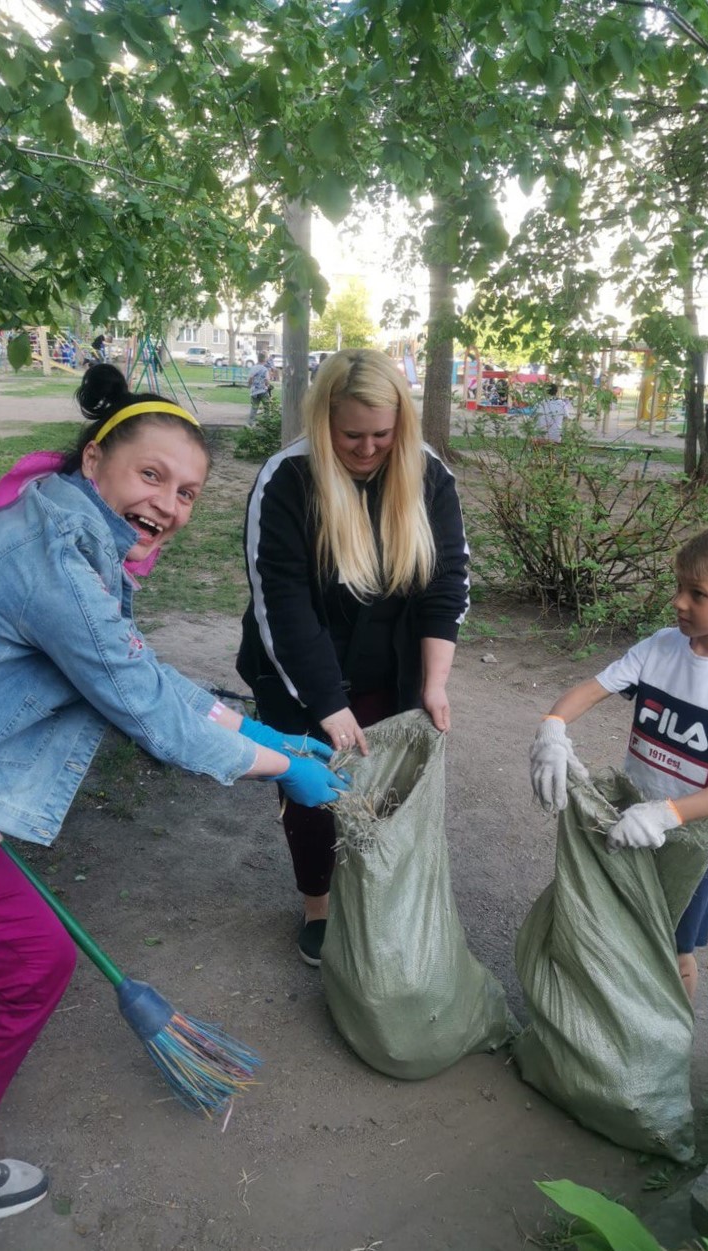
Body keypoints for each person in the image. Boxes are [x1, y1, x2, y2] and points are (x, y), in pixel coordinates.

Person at [0, 363, 348, 1243]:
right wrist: (275, 767)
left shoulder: (77, 547)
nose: (170, 505)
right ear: (95, 458)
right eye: (152, 475)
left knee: (34, 963)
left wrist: (263, 731)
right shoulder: (51, 558)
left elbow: (137, 671)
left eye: (187, 492)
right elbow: (142, 705)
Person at [237, 348, 470, 965]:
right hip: (301, 665)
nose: (368, 450)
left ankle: (373, 893)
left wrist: (435, 682)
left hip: (394, 658)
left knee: (387, 785)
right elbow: (281, 604)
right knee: (314, 785)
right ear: (323, 423)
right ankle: (318, 903)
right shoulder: (287, 479)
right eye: (351, 436)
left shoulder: (427, 475)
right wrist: (327, 706)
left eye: (382, 436)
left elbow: (445, 584)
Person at [529, 522, 708, 1001]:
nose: (679, 602)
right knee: (621, 927)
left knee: (674, 949)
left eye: (697, 594)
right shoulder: (660, 647)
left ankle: (667, 1041)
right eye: (678, 587)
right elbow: (592, 689)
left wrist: (669, 814)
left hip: (693, 847)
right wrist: (552, 727)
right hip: (630, 820)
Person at [247, 352, 274, 425]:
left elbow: (250, 379)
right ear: (265, 359)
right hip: (263, 391)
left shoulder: (253, 368)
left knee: (254, 407)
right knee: (267, 407)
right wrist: (268, 386)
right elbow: (267, 380)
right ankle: (266, 422)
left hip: (254, 392)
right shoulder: (265, 369)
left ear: (257, 358)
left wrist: (250, 386)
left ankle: (250, 423)